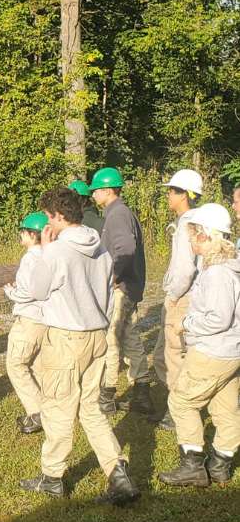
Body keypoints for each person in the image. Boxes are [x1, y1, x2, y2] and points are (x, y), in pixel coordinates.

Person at [19, 187, 139, 505]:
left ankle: (53, 477)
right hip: (96, 334)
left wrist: (44, 250)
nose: (46, 222)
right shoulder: (98, 245)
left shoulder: (56, 251)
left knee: (58, 407)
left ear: (59, 216)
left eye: (48, 216)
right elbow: (108, 291)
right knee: (91, 410)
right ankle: (117, 473)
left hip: (66, 336)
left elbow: (38, 291)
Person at [158, 203, 240, 487]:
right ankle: (220, 464)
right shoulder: (227, 267)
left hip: (212, 351)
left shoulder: (217, 273)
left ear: (206, 235)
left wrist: (187, 324)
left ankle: (192, 463)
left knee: (181, 401)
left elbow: (218, 318)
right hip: (230, 352)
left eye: (193, 234)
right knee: (226, 408)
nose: (190, 240)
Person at [89, 167, 152, 415]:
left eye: (95, 191)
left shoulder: (116, 214)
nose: (93, 195)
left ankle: (107, 395)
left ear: (107, 190)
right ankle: (143, 394)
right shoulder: (121, 212)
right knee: (130, 337)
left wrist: (114, 276)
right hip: (130, 286)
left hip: (121, 288)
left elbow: (125, 248)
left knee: (112, 339)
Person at [152, 169, 203, 429]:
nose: (168, 195)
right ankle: (181, 404)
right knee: (166, 354)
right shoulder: (198, 220)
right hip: (190, 297)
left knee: (173, 355)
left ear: (184, 195)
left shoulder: (186, 224)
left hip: (181, 298)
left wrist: (172, 297)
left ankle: (179, 410)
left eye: (171, 191)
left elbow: (185, 269)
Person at [3, 211, 48, 434]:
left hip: (28, 319)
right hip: (45, 320)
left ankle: (36, 412)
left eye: (23, 231)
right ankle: (50, 410)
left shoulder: (31, 257)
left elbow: (29, 291)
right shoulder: (50, 255)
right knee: (38, 366)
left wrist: (11, 292)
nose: (20, 234)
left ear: (32, 234)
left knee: (16, 364)